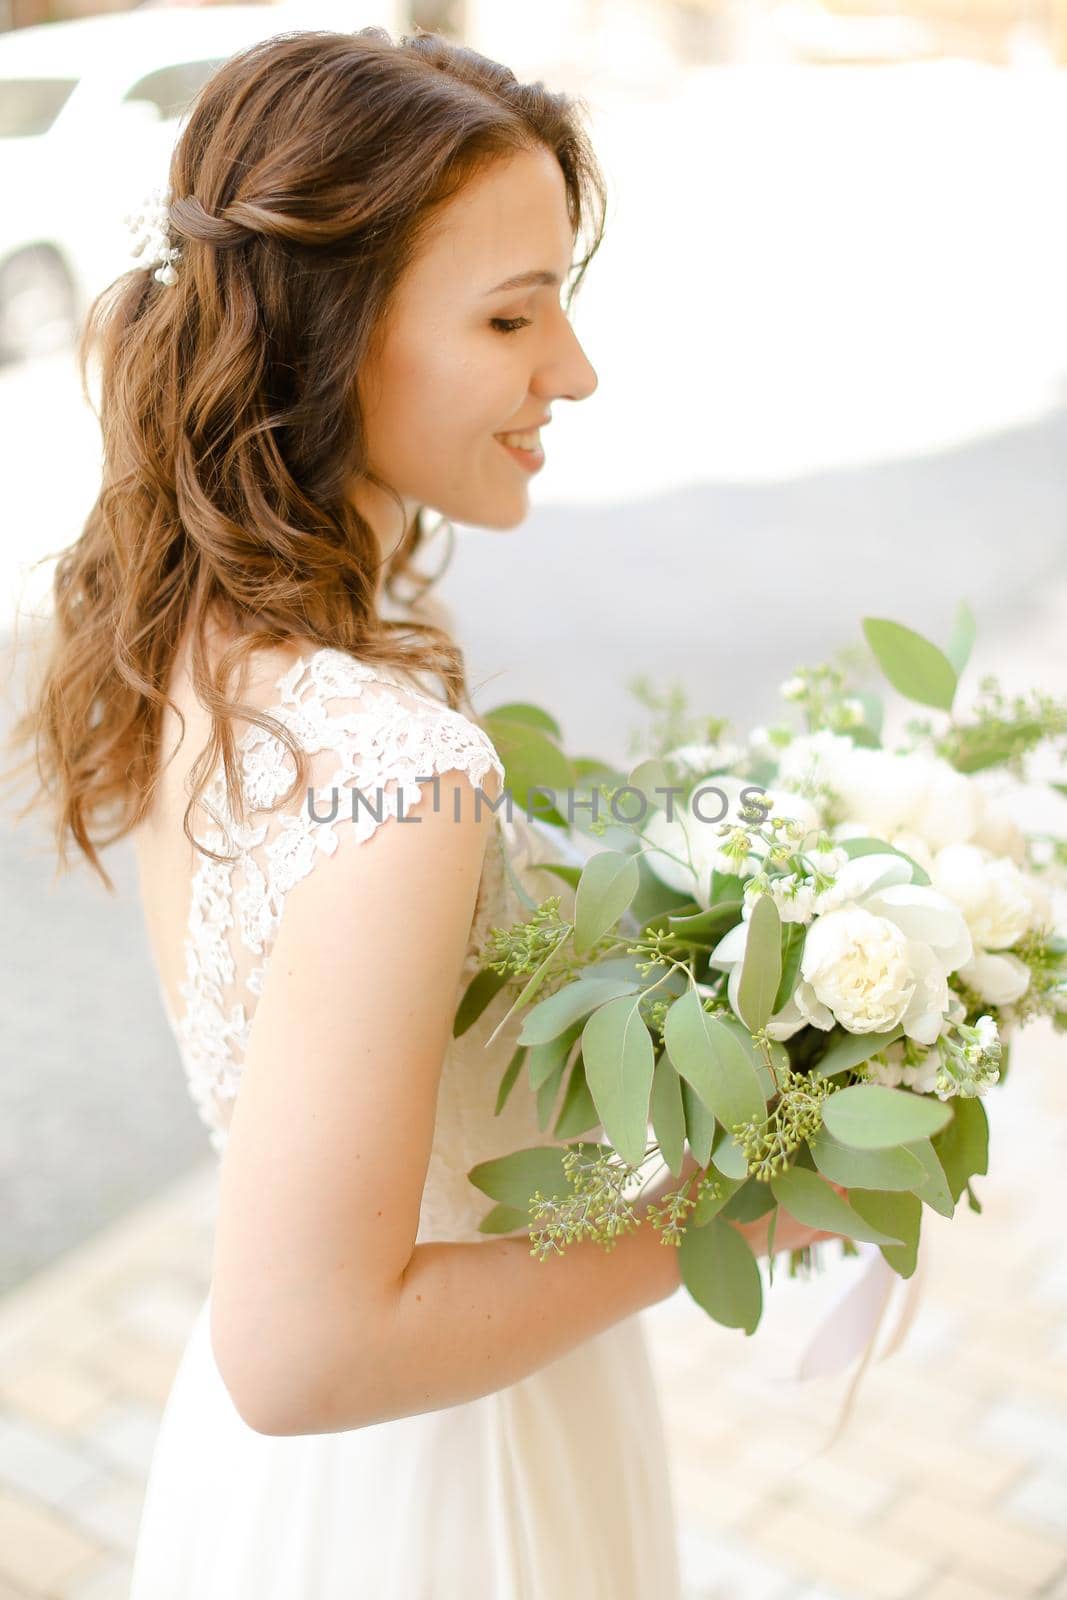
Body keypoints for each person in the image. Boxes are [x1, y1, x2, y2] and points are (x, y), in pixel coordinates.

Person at [5, 26, 835, 1597]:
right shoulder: (403, 773)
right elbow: (306, 1348)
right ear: (333, 337)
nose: (572, 369)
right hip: (443, 1493)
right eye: (514, 314)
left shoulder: (209, 638)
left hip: (298, 1494)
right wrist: (740, 1202)